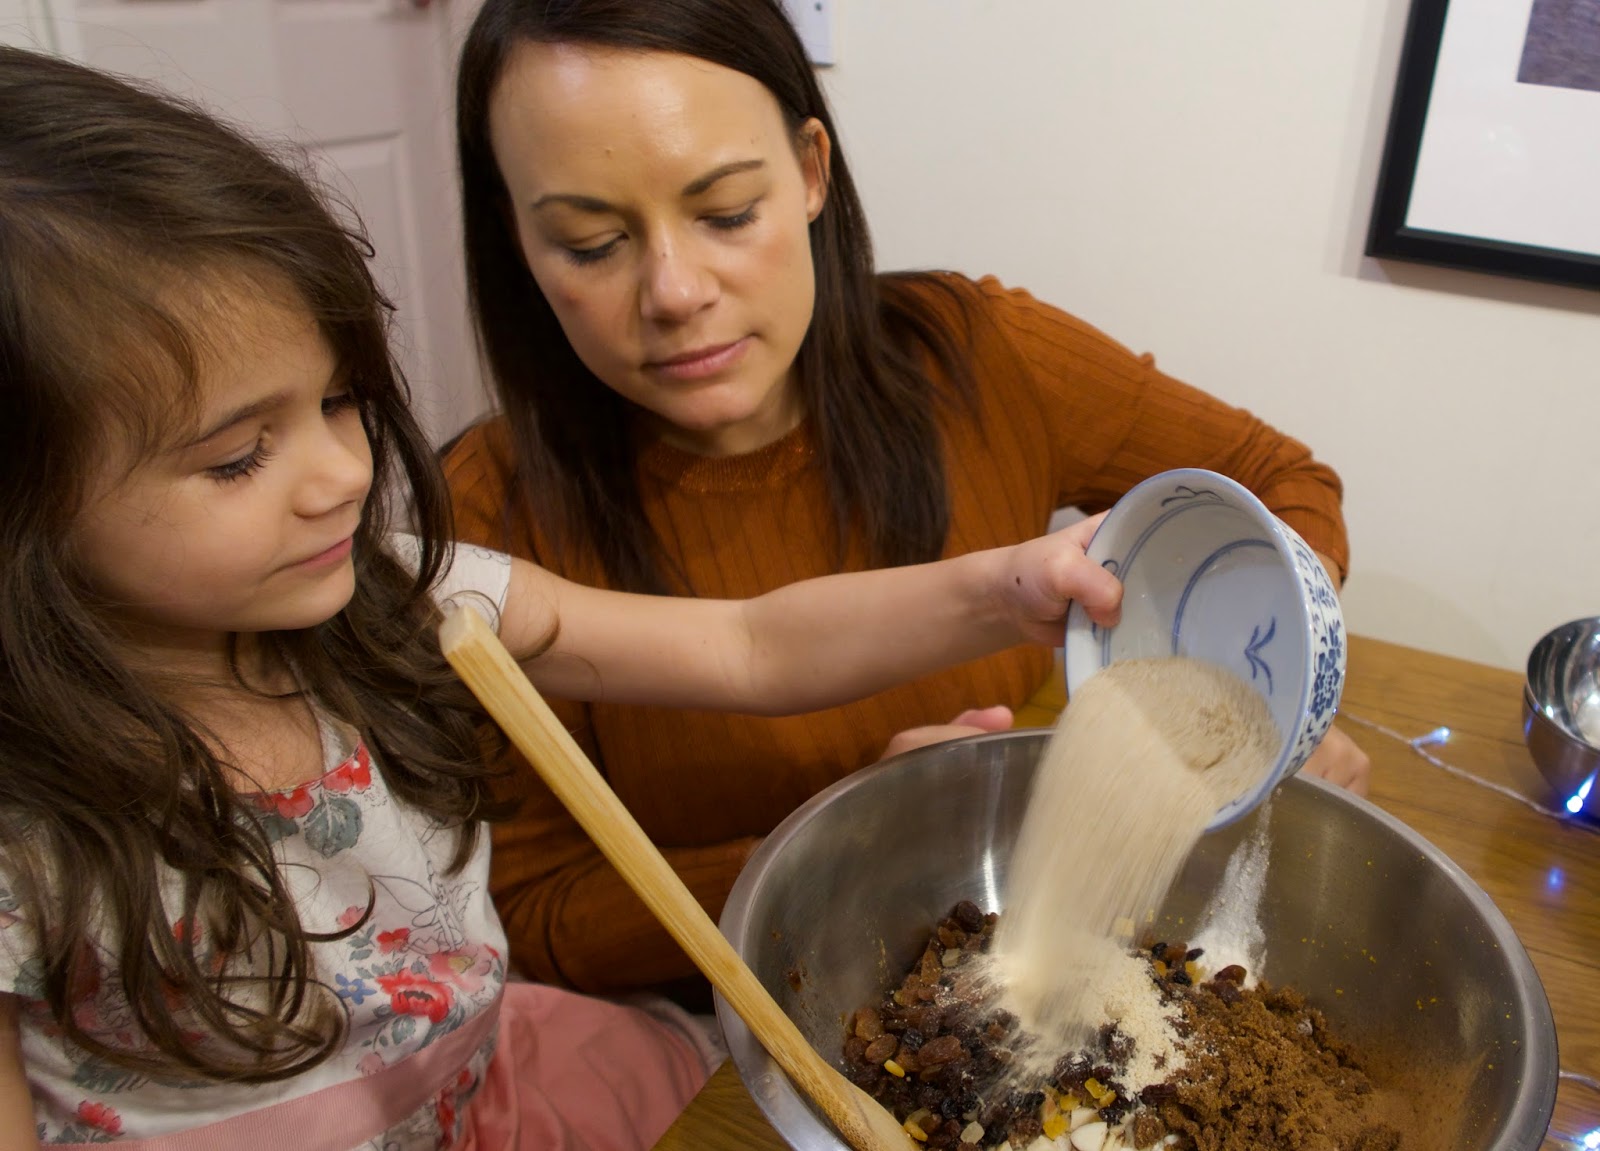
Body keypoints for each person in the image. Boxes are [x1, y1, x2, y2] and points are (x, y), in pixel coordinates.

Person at [0, 45, 1129, 1149]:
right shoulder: (27, 821)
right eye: (238, 457)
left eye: (338, 402)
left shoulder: (407, 590)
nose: (343, 474)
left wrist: (999, 588)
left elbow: (749, 645)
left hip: (490, 1082)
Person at [443, 0, 1372, 998]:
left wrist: (1265, 675)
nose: (674, 291)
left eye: (727, 212)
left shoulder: (978, 356)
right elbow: (536, 914)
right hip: (733, 1012)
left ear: (810, 169)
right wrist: (849, 835)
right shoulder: (489, 527)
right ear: (516, 237)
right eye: (590, 242)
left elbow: (1280, 476)